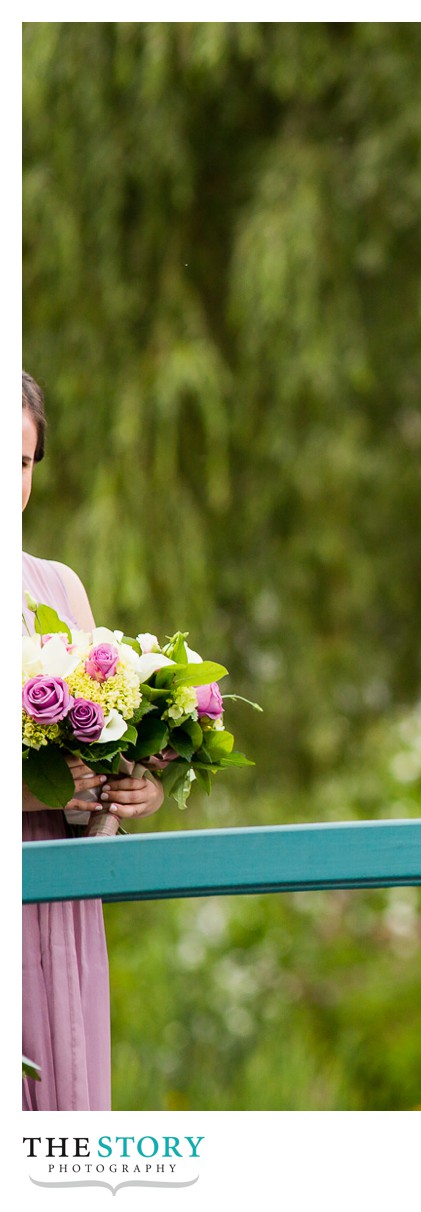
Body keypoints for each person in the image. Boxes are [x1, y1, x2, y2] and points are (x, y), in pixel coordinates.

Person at [21, 370, 166, 1110]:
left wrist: (126, 789)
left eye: (21, 463)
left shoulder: (60, 587)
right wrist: (39, 789)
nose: (10, 482)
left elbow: (97, 754)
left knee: (67, 1096)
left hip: (65, 885)